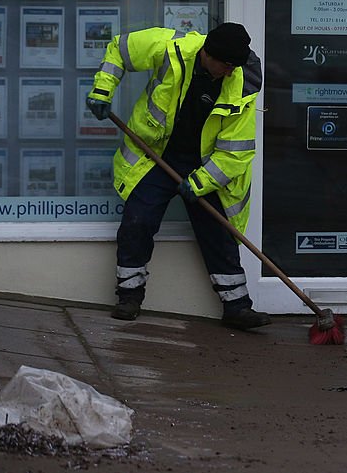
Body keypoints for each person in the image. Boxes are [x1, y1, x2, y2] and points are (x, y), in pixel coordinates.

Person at [85, 22, 271, 330]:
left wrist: (199, 183)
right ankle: (129, 296)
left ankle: (237, 306)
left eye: (234, 66)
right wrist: (103, 90)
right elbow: (120, 48)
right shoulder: (173, 47)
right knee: (138, 220)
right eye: (225, 64)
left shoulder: (242, 83)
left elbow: (235, 152)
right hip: (157, 154)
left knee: (218, 230)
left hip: (205, 164)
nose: (230, 71)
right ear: (207, 54)